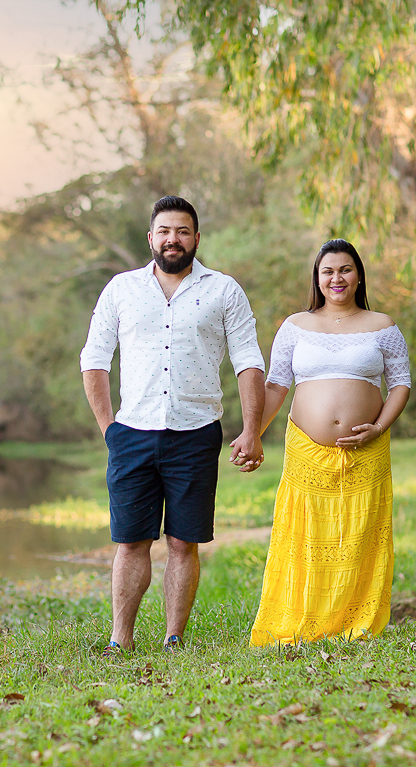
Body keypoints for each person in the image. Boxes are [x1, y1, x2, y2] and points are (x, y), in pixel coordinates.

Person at [80, 195, 266, 655]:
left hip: (197, 433)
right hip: (132, 434)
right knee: (130, 541)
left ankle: (173, 639)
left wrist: (251, 429)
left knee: (184, 542)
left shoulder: (224, 290)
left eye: (182, 231)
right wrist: (110, 428)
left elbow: (248, 362)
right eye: (164, 231)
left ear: (196, 238)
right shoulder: (121, 290)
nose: (173, 239)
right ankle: (120, 641)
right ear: (150, 238)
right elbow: (94, 360)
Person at [249, 238, 411, 646]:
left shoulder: (383, 325)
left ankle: (354, 623)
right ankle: (302, 619)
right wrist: (252, 433)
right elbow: (276, 385)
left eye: (345, 270)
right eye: (328, 271)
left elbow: (401, 385)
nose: (336, 278)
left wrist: (379, 427)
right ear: (317, 279)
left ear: (359, 276)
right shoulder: (295, 325)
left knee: (359, 533)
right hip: (305, 448)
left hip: (368, 448)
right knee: (307, 533)